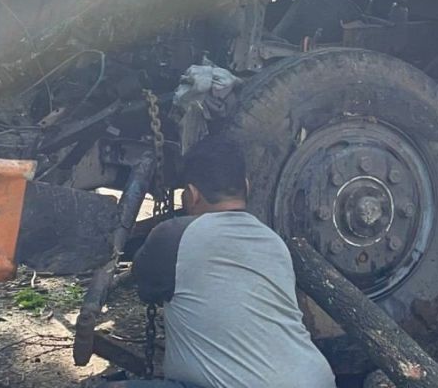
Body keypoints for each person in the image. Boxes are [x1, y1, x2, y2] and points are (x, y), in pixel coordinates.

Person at [126, 135, 335, 388]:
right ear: (246, 186)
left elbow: (146, 287)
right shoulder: (274, 242)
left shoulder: (174, 236)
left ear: (190, 195)